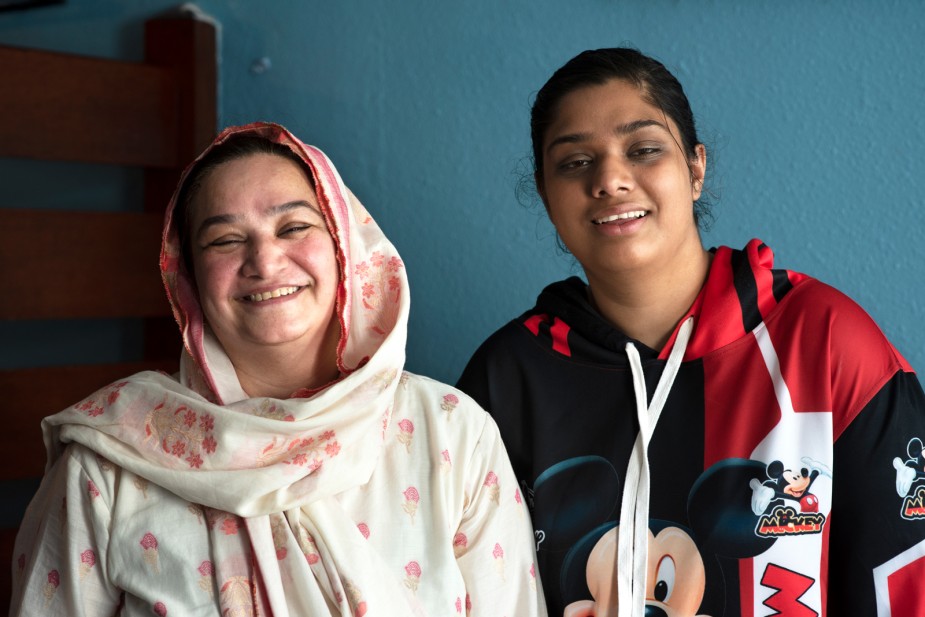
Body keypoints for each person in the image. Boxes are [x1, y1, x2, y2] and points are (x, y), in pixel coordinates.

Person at [456, 47, 925, 616]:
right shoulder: (505, 379)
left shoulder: (824, 340)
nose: (609, 178)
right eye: (575, 162)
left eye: (644, 149)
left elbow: (906, 583)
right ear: (546, 194)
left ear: (696, 169)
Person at [10, 122, 546, 616]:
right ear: (189, 279)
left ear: (345, 249)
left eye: (293, 227)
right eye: (224, 239)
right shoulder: (108, 465)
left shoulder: (451, 432)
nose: (264, 262)